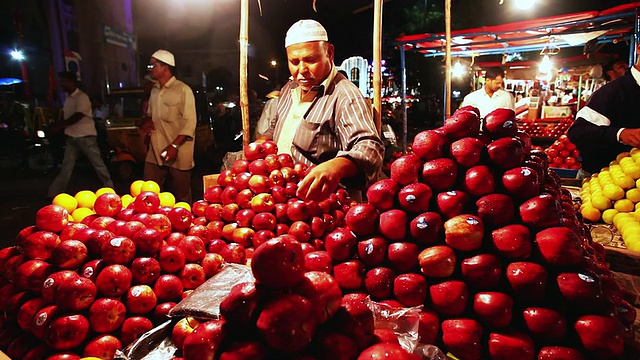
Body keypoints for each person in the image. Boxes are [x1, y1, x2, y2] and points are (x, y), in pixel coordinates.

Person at [263, 19, 384, 201]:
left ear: (329, 53)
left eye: (310, 60)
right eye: (294, 62)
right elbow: (278, 124)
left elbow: (370, 148)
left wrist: (336, 166)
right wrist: (261, 143)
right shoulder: (289, 88)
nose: (301, 70)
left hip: (323, 203)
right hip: (283, 196)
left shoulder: (345, 95)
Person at [567, 44, 640, 179]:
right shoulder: (611, 92)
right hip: (601, 182)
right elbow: (578, 132)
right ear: (639, 48)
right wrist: (620, 134)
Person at [141, 50, 197, 203]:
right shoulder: (154, 90)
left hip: (178, 150)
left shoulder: (183, 90)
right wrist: (146, 122)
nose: (150, 68)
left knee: (182, 196)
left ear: (165, 67)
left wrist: (174, 146)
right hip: (156, 148)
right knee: (148, 193)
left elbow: (190, 123)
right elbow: (151, 115)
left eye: (153, 65)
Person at [48, 72, 114, 198]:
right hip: (73, 135)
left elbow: (78, 116)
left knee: (97, 164)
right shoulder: (69, 98)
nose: (61, 84)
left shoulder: (81, 97)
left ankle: (110, 189)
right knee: (67, 166)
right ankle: (55, 193)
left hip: (85, 136)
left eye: (63, 81)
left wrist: (59, 126)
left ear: (70, 81)